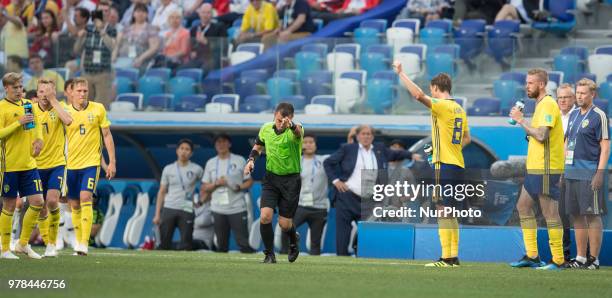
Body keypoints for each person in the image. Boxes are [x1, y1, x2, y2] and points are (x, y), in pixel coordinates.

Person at [392, 60, 470, 267]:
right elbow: (467, 138)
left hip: (444, 164)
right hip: (457, 163)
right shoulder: (459, 109)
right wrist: (449, 148)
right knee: (450, 210)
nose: (431, 93)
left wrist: (401, 73)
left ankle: (446, 258)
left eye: (432, 90)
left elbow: (418, 95)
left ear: (436, 88)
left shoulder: (442, 105)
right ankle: (453, 257)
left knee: (442, 209)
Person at [323, 124, 415, 256]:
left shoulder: (379, 149)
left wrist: (411, 155)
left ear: (372, 137)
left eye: (369, 134)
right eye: (363, 134)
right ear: (358, 136)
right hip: (347, 196)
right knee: (343, 233)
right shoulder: (348, 148)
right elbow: (328, 162)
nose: (366, 136)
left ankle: (362, 258)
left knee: (366, 232)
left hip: (369, 199)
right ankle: (341, 259)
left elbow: (396, 153)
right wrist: (336, 181)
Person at [508, 68, 567, 270]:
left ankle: (558, 259)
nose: (527, 86)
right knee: (523, 207)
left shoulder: (549, 104)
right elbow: (535, 136)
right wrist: (525, 125)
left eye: (531, 83)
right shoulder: (539, 105)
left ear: (541, 84)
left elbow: (542, 136)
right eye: (526, 82)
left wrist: (521, 120)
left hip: (546, 167)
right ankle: (532, 256)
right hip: (534, 167)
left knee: (550, 213)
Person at [243, 103, 303, 263]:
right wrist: (251, 161)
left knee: (284, 224)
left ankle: (293, 240)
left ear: (290, 118)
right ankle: (269, 254)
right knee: (265, 217)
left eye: (283, 120)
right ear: (274, 116)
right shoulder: (266, 128)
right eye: (277, 119)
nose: (279, 123)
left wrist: (291, 125)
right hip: (271, 179)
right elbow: (258, 146)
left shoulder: (296, 130)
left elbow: (297, 132)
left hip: (291, 181)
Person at [65, 77, 116, 256]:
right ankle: (78, 241)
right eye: (79, 91)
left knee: (86, 197)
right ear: (71, 92)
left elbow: (107, 136)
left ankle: (84, 243)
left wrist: (111, 162)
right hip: (70, 165)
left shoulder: (98, 108)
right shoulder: (65, 112)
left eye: (85, 91)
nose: (82, 94)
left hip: (91, 164)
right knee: (74, 204)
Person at [563, 78, 609, 269]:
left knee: (592, 215)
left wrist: (599, 173)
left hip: (589, 172)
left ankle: (594, 259)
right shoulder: (573, 114)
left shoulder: (599, 115)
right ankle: (581, 257)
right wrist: (562, 171)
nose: (579, 96)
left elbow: (605, 147)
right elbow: (567, 143)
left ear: (593, 95)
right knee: (576, 215)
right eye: (578, 92)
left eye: (583, 93)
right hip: (571, 172)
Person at [0, 72, 45, 259]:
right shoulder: (2, 107)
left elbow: (35, 128)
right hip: (9, 165)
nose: (19, 90)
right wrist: (17, 123)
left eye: (21, 87)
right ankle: (4, 249)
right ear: (6, 88)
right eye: (15, 87)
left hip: (29, 164)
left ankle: (23, 244)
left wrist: (39, 141)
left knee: (38, 202)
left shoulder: (28, 105)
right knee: (9, 205)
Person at [32, 78, 73, 257]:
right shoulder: (31, 109)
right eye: (41, 92)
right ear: (37, 93)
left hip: (57, 163)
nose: (44, 96)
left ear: (54, 94)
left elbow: (69, 121)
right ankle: (47, 240)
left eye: (48, 92)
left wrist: (54, 101)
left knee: (52, 200)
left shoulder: (61, 107)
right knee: (40, 205)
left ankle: (53, 241)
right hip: (35, 164)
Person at [200, 134, 254, 253]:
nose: (221, 144)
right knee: (221, 244)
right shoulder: (211, 163)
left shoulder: (239, 160)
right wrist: (216, 184)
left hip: (237, 207)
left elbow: (249, 181)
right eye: (218, 142)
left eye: (224, 142)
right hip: (217, 208)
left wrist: (239, 187)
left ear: (229, 144)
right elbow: (204, 186)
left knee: (243, 242)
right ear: (215, 145)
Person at [280, 133, 329, 255]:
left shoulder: (324, 160)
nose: (308, 144)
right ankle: (284, 254)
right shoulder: (294, 161)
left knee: (315, 241)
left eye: (311, 142)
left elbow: (342, 156)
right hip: (299, 206)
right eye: (305, 142)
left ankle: (314, 265)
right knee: (286, 229)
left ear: (316, 146)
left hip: (319, 208)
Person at [153, 139, 204, 251]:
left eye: (187, 149)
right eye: (181, 148)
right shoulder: (168, 168)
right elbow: (162, 191)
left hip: (187, 208)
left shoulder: (197, 169)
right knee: (164, 243)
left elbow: (205, 186)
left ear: (191, 153)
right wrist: (157, 214)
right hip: (169, 207)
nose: (184, 151)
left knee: (186, 244)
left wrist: (201, 201)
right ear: (177, 151)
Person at [73, 0, 117, 108]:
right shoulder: (88, 29)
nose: (104, 13)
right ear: (97, 13)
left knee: (101, 107)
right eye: (101, 11)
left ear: (110, 13)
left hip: (103, 73)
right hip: (87, 72)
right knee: (85, 106)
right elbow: (76, 50)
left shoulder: (111, 29)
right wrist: (80, 37)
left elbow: (112, 47)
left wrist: (101, 30)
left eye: (106, 11)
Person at [556, 82, 576, 261]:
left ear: (574, 98)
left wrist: (564, 171)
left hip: (572, 170)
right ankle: (560, 254)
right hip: (552, 169)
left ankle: (572, 255)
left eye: (566, 97)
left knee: (569, 213)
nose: (562, 100)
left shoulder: (577, 116)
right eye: (560, 97)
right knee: (557, 213)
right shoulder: (554, 116)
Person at [113, 3, 160, 71]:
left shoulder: (151, 29)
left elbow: (153, 48)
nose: (140, 14)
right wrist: (114, 55)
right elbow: (117, 44)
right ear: (133, 14)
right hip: (122, 59)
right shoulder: (126, 28)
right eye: (138, 11)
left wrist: (141, 59)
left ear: (147, 14)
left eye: (143, 11)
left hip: (140, 60)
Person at [183, 3, 226, 71]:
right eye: (203, 12)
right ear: (199, 14)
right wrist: (192, 52)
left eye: (208, 13)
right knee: (182, 70)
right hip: (198, 58)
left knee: (204, 70)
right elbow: (192, 46)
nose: (205, 15)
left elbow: (223, 46)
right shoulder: (194, 29)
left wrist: (206, 42)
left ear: (212, 14)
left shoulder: (219, 27)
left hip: (212, 58)